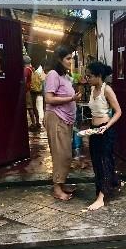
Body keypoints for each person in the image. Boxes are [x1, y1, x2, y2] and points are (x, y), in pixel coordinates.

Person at [44, 46, 82, 201]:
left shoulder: (65, 76)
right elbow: (49, 99)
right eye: (67, 58)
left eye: (71, 58)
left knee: (66, 154)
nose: (70, 61)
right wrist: (71, 99)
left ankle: (62, 183)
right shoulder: (53, 74)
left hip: (66, 119)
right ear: (59, 60)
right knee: (60, 154)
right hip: (56, 118)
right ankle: (57, 188)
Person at [86, 62, 122, 210]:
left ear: (99, 76)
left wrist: (106, 126)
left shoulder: (107, 90)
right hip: (94, 130)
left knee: (104, 162)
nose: (87, 78)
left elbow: (119, 111)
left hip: (105, 130)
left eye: (90, 76)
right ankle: (113, 182)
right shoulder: (93, 89)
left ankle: (101, 197)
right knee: (96, 161)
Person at [23, 56, 40, 131]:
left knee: (30, 107)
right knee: (34, 107)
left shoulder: (26, 70)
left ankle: (33, 124)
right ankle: (37, 122)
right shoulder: (32, 69)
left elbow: (25, 80)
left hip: (28, 91)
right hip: (33, 90)